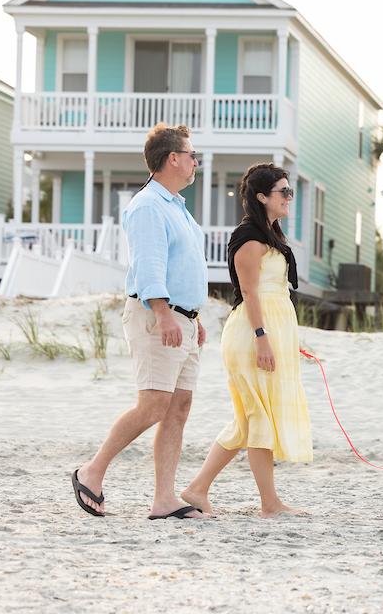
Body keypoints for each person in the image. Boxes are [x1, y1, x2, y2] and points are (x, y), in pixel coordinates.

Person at [70, 123, 209, 520]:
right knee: (153, 405)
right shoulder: (149, 206)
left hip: (182, 318)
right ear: (172, 159)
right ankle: (90, 471)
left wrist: (191, 315)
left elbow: (181, 265)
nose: (195, 161)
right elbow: (149, 267)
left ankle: (164, 499)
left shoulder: (175, 205)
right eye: (192, 154)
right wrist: (165, 312)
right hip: (155, 316)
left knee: (179, 407)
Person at [182, 163, 311, 518]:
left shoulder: (270, 235)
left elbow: (276, 295)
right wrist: (262, 338)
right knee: (257, 418)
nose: (289, 198)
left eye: (290, 192)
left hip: (269, 332)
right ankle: (270, 504)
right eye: (283, 192)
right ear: (261, 197)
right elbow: (251, 294)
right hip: (251, 335)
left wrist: (283, 339)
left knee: (247, 421)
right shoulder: (249, 239)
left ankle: (196, 489)